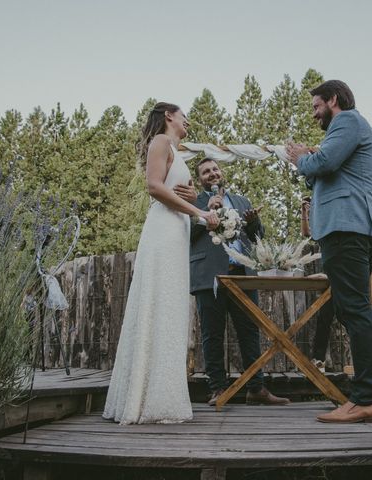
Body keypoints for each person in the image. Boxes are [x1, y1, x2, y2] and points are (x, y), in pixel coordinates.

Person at [286, 80, 372, 423]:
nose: (314, 113)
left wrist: (302, 158)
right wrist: (310, 161)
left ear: (333, 100)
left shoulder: (347, 121)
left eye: (316, 105)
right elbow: (320, 173)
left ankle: (365, 399)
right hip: (348, 228)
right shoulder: (343, 129)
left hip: (347, 226)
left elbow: (324, 164)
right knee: (355, 309)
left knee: (354, 311)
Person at [103, 103, 219, 424]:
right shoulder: (160, 142)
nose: (187, 120)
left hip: (177, 234)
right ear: (169, 116)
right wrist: (200, 212)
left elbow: (173, 191)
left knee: (171, 310)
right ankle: (144, 398)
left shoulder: (177, 152)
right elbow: (154, 187)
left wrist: (192, 199)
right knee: (159, 305)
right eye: (183, 115)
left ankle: (161, 394)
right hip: (163, 233)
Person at [190, 158, 290, 407]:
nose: (212, 174)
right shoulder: (194, 202)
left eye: (215, 169)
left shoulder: (241, 201)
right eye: (205, 172)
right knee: (212, 334)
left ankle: (256, 388)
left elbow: (257, 238)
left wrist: (254, 222)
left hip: (243, 274)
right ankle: (218, 389)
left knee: (249, 332)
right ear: (200, 178)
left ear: (221, 172)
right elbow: (185, 234)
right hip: (210, 275)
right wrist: (206, 214)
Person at [301, 197, 335, 372]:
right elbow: (307, 234)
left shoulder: (337, 222)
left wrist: (326, 275)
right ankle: (319, 360)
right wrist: (304, 213)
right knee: (324, 319)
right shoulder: (323, 228)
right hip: (331, 280)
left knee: (351, 318)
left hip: (343, 277)